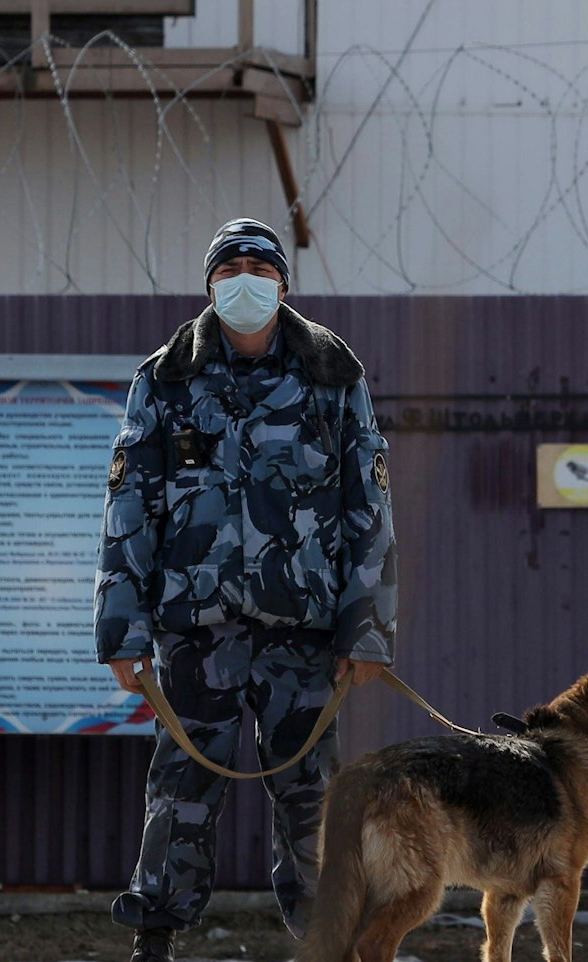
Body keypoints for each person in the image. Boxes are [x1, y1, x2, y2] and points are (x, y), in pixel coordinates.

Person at [93, 217, 397, 962]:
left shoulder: (333, 373)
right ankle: (155, 938)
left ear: (283, 284)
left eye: (259, 268)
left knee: (313, 802)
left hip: (305, 635)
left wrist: (368, 631)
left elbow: (370, 508)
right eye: (229, 270)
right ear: (209, 286)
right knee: (180, 792)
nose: (245, 281)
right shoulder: (166, 377)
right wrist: (122, 633)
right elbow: (131, 512)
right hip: (199, 635)